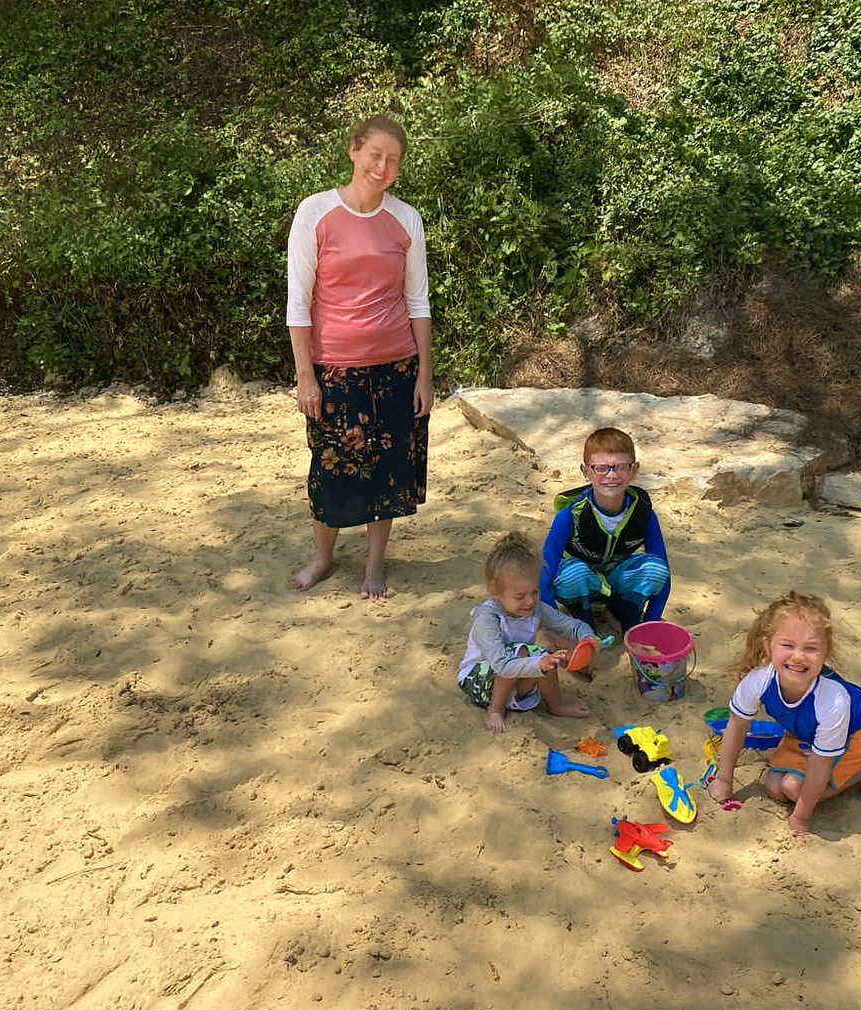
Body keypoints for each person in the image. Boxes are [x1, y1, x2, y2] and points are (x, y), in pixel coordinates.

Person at [286, 114, 433, 599]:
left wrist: (424, 376)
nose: (383, 167)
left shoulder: (406, 219)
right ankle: (323, 557)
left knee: (388, 471)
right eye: (376, 155)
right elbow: (298, 302)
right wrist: (306, 376)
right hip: (334, 369)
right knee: (328, 468)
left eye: (393, 161)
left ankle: (374, 565)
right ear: (354, 149)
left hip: (396, 367)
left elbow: (418, 302)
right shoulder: (314, 212)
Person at [707, 592, 861, 837]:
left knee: (793, 788)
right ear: (768, 646)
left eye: (811, 648)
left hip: (858, 731)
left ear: (825, 653)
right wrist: (724, 780)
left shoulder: (833, 701)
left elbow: (820, 762)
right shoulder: (760, 679)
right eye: (787, 645)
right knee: (774, 786)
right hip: (807, 730)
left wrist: (801, 817)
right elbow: (737, 725)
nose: (798, 656)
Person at [458, 532, 598, 734]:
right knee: (524, 653)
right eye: (520, 596)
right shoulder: (487, 619)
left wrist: (587, 638)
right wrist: (537, 662)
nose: (530, 601)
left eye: (535, 591)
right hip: (480, 682)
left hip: (516, 677)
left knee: (542, 655)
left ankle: (555, 705)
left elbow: (570, 625)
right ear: (496, 592)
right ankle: (496, 710)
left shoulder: (536, 608)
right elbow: (501, 665)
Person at [539, 427, 671, 633]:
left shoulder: (643, 513)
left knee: (655, 569)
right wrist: (559, 626)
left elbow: (664, 573)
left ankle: (625, 619)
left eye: (620, 467)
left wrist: (651, 621)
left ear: (633, 470)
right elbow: (544, 572)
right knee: (572, 573)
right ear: (586, 471)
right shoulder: (569, 515)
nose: (611, 475)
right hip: (582, 584)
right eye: (600, 468)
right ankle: (584, 622)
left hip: (618, 581)